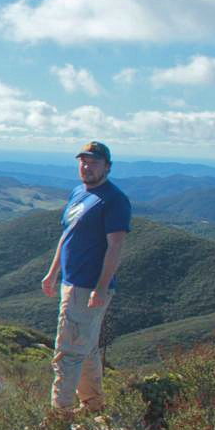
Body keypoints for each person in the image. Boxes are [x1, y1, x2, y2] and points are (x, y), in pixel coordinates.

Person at [40, 141, 130, 415]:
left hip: (87, 287)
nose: (86, 166)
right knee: (86, 347)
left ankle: (60, 414)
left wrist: (100, 288)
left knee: (67, 351)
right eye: (83, 161)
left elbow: (115, 246)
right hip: (71, 282)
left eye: (93, 162)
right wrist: (52, 273)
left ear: (107, 166)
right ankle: (93, 405)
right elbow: (66, 236)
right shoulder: (78, 193)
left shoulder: (114, 200)